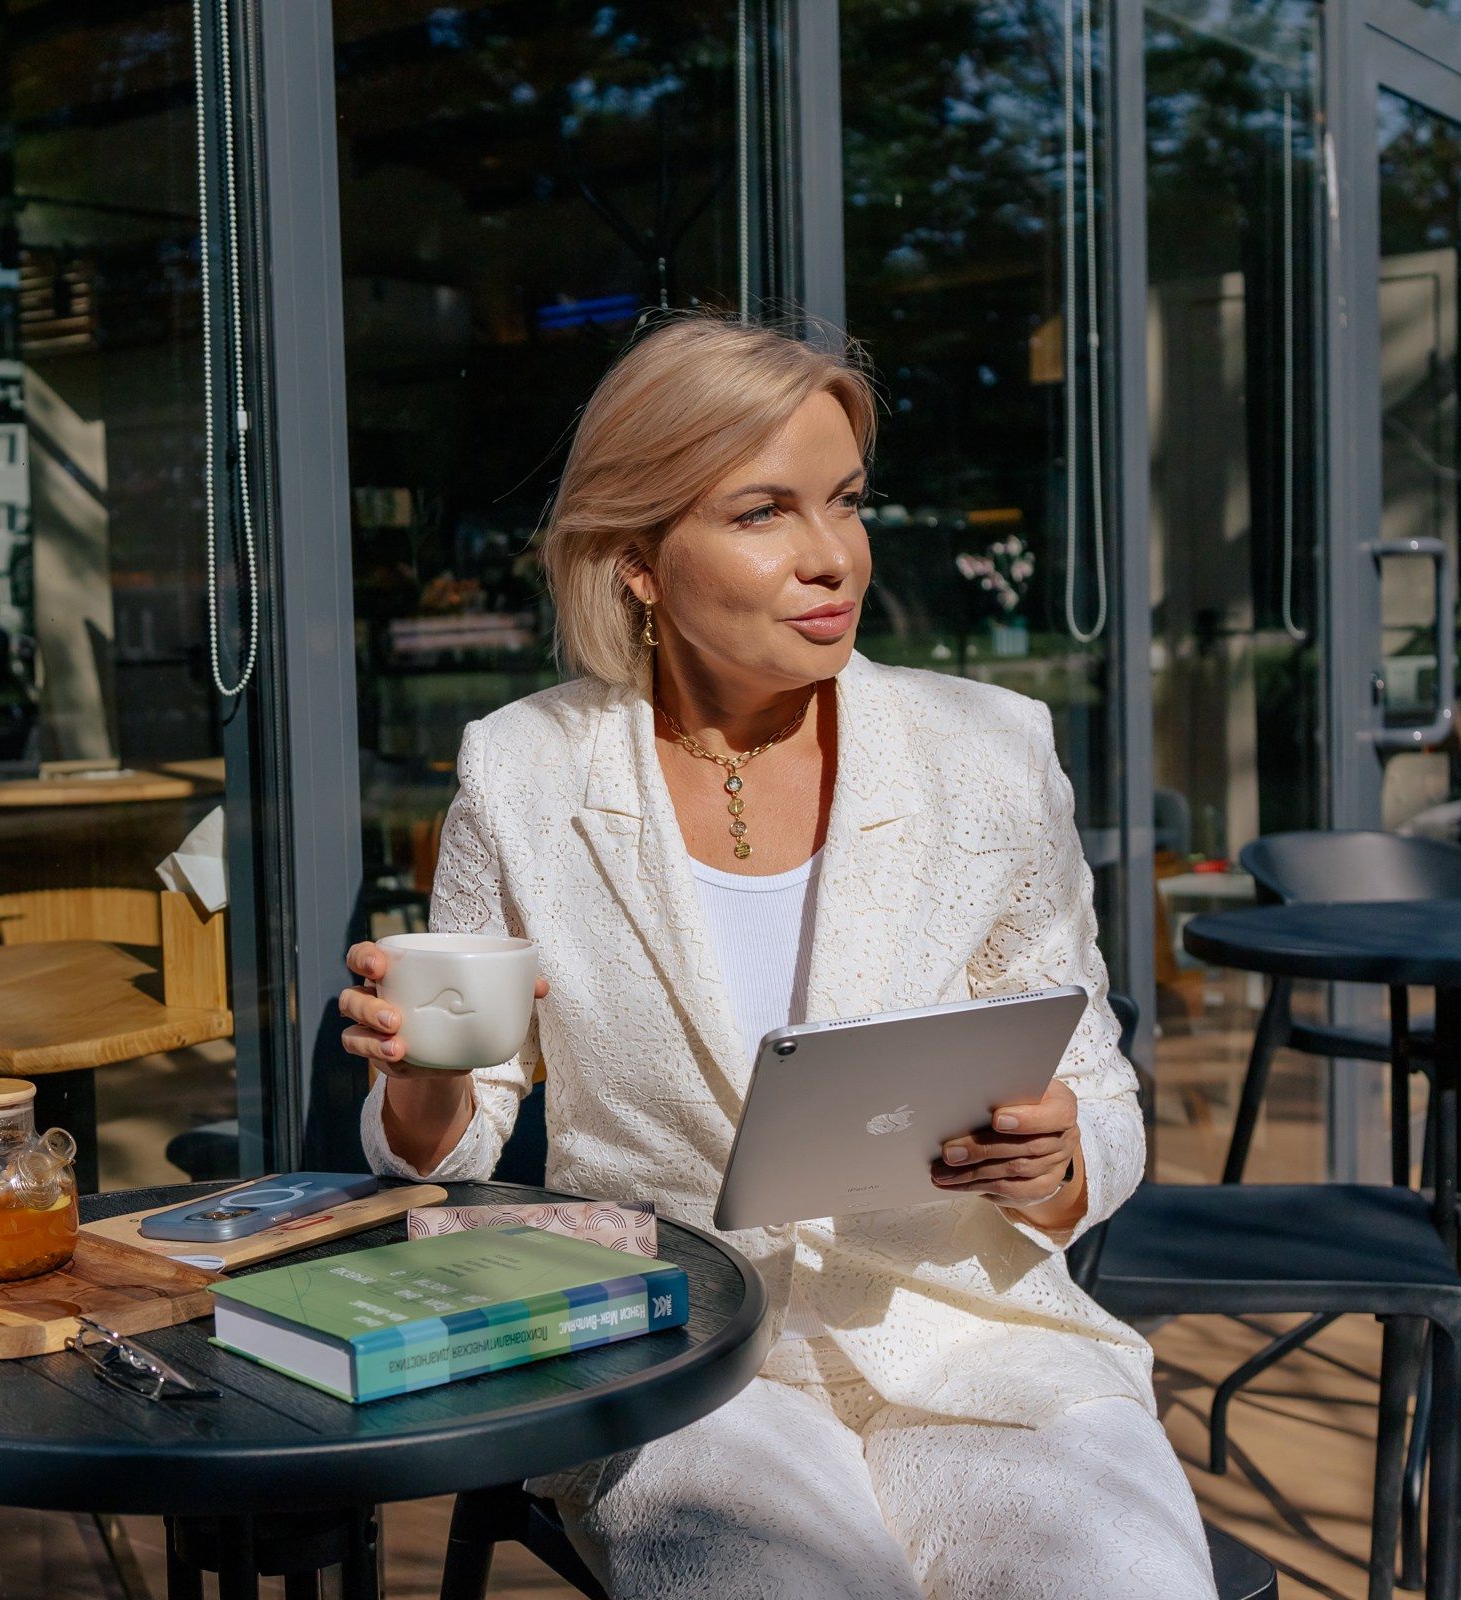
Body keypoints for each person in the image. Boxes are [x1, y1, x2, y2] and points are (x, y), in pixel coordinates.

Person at [338, 316, 1215, 1599]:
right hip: (679, 1355)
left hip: (976, 1338)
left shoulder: (989, 751)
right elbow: (455, 1142)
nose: (832, 557)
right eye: (765, 512)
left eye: (847, 502)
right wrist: (420, 1081)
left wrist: (1061, 1154)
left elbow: (1101, 1091)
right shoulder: (523, 770)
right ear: (638, 559)